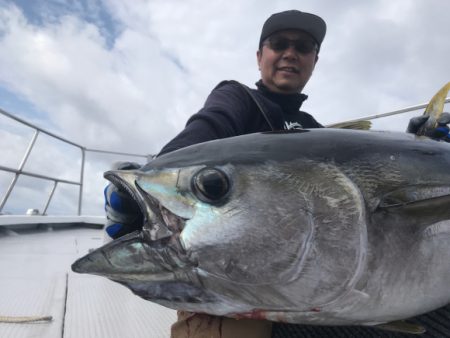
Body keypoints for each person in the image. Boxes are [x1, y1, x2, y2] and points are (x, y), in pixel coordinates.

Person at [104, 9, 450, 338]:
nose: (290, 53)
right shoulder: (236, 98)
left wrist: (418, 147)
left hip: (318, 293)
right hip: (236, 295)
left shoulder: (313, 131)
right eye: (279, 44)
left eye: (303, 47)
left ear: (315, 60)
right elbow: (199, 134)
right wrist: (141, 193)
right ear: (259, 56)